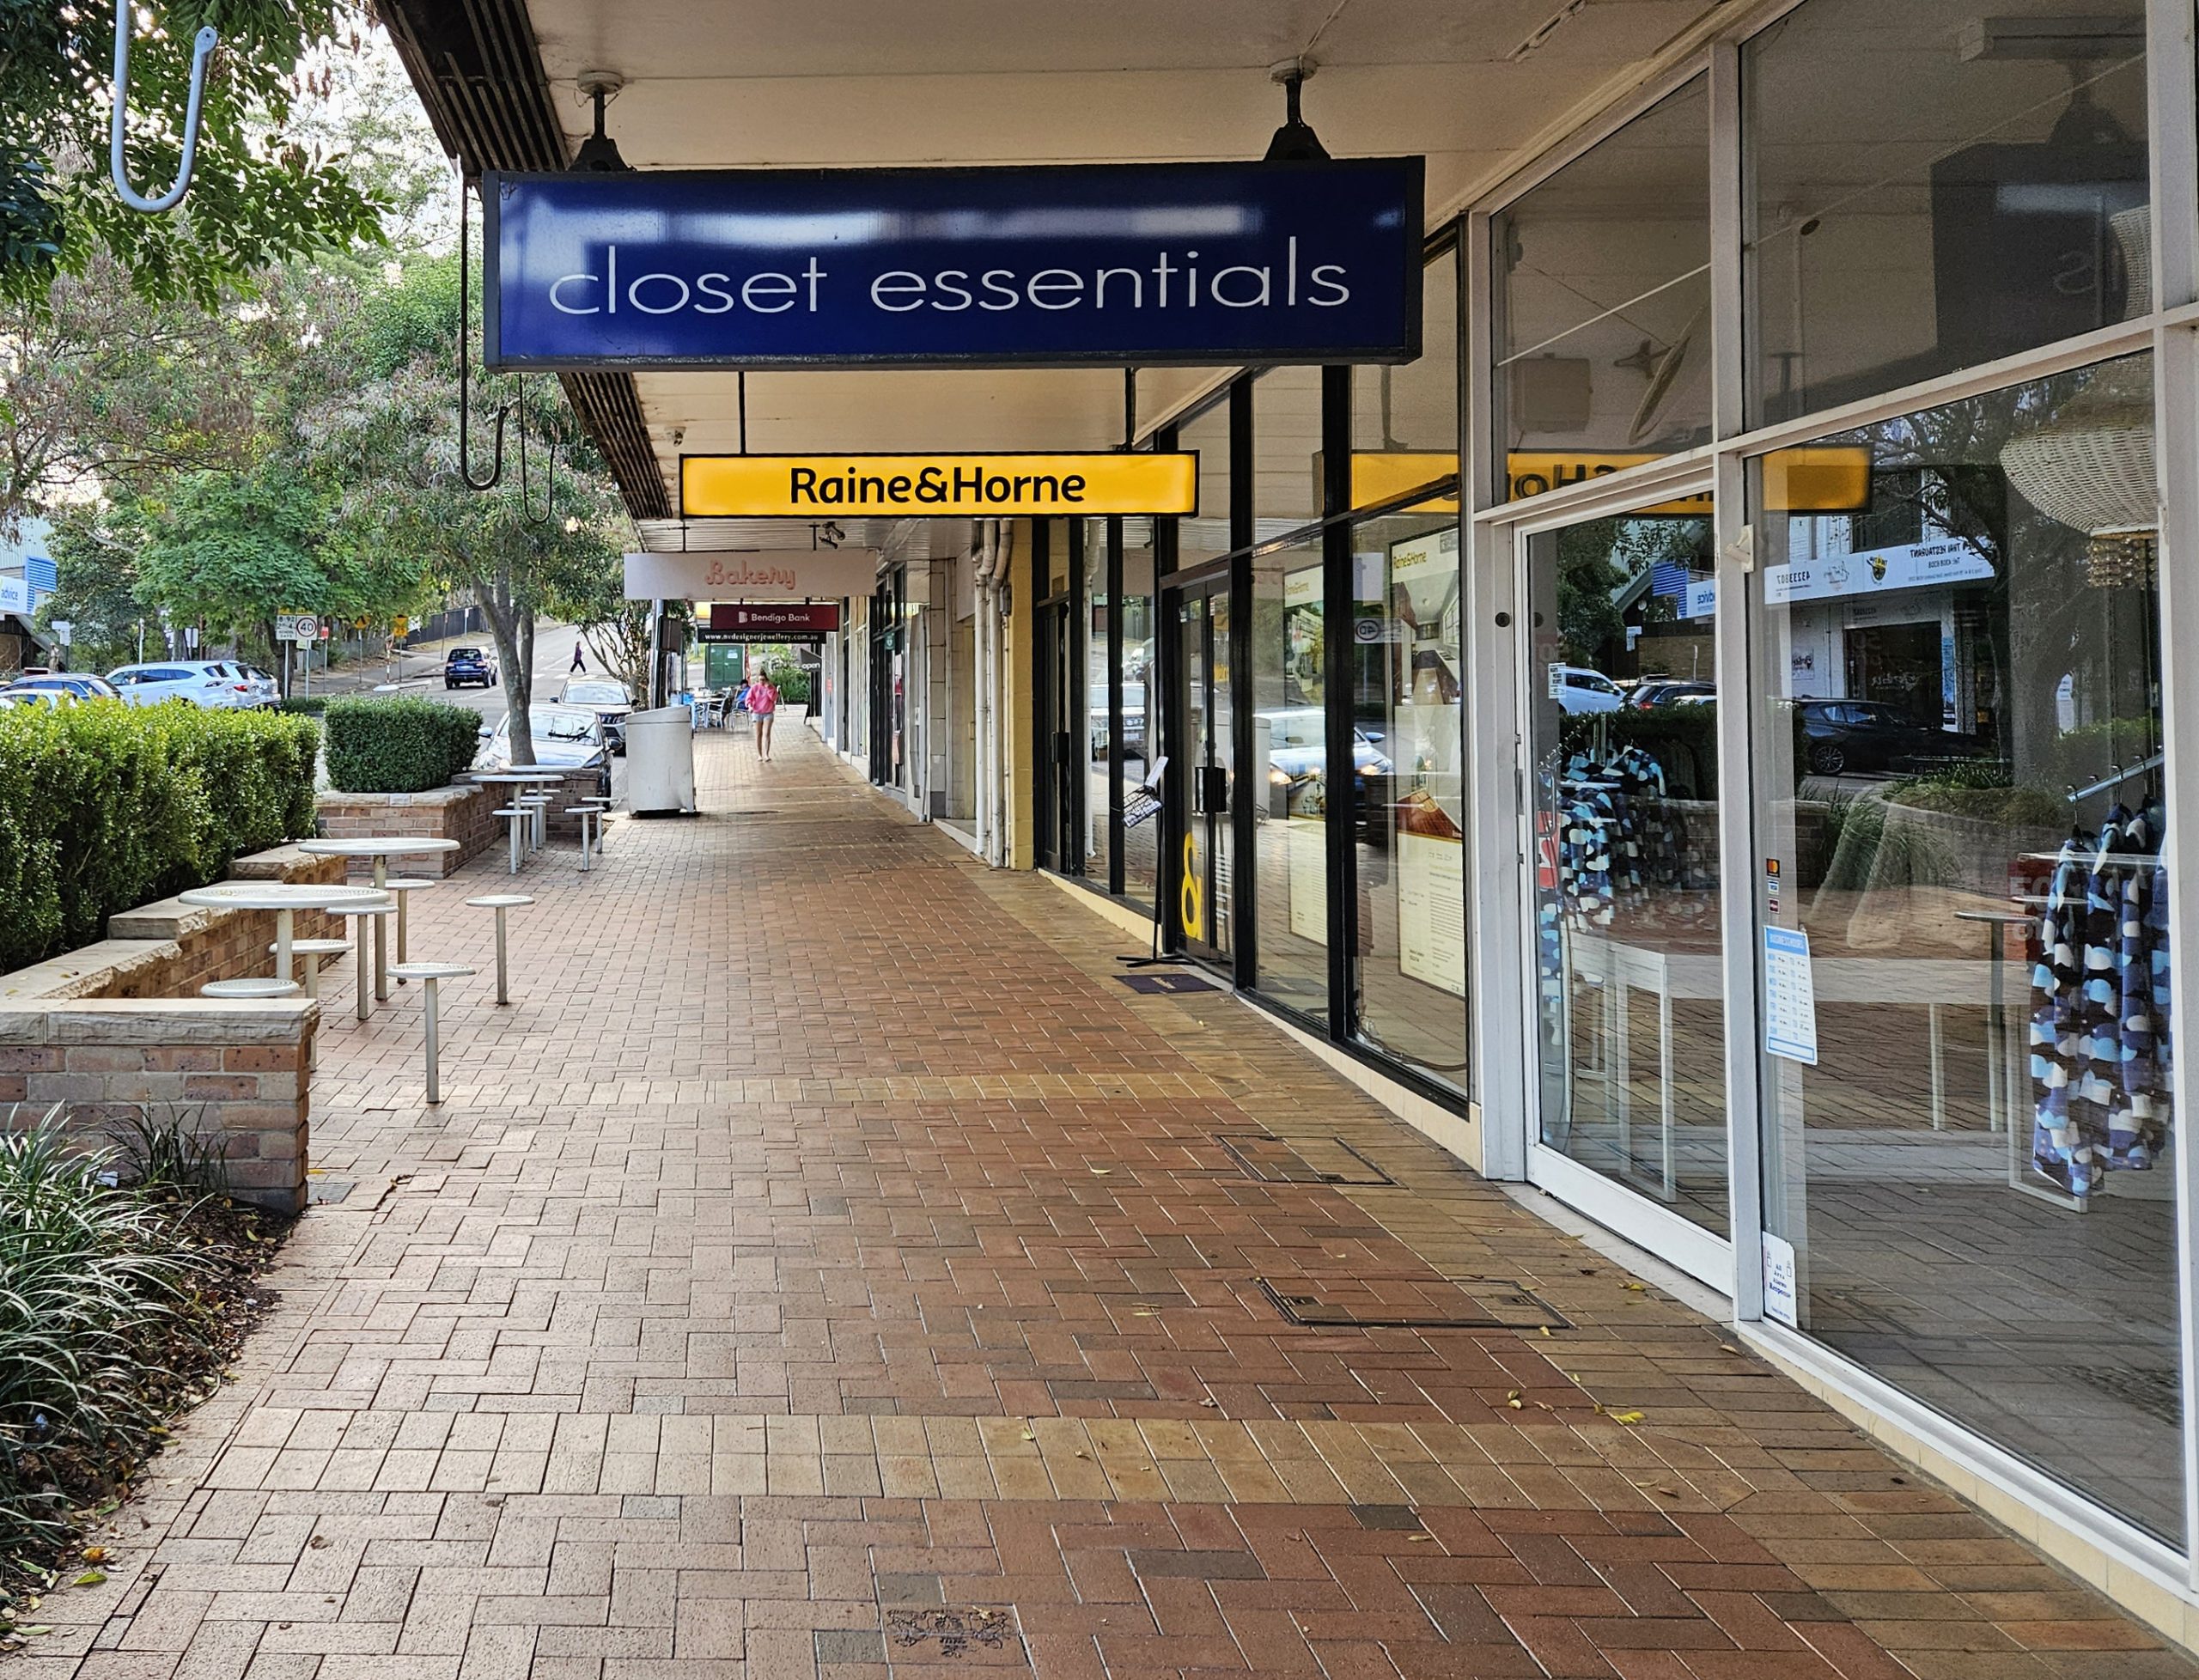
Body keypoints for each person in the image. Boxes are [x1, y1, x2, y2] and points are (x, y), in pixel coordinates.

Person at [747, 668, 779, 761]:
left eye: (763, 680)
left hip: (768, 713)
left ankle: (766, 754)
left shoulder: (771, 687)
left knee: (766, 733)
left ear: (766, 680)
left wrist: (768, 688)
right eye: (760, 680)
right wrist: (750, 706)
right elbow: (749, 698)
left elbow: (773, 698)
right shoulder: (755, 688)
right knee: (758, 734)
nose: (761, 682)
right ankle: (759, 754)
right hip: (757, 713)